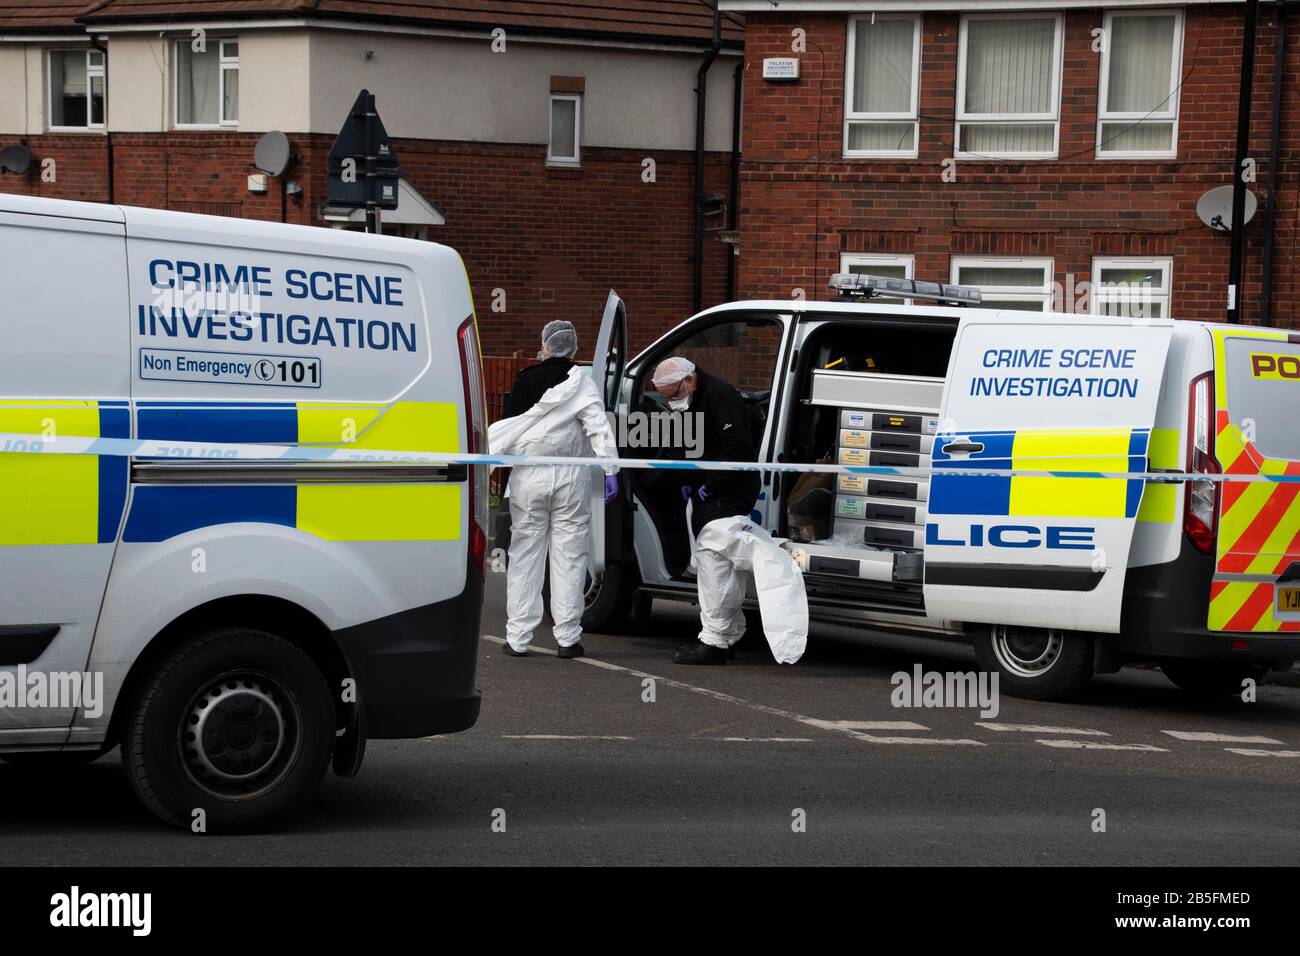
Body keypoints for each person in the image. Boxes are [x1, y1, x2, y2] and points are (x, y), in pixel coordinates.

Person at [490, 320, 619, 658]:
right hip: (571, 478)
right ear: (573, 348)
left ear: (545, 345)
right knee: (570, 558)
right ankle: (567, 639)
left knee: (524, 558)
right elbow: (597, 425)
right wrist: (610, 469)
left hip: (529, 477)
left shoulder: (525, 379)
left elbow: (508, 430)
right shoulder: (583, 383)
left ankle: (517, 638)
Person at [650, 356, 761, 664]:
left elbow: (734, 446)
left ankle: (714, 640)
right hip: (715, 490)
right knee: (719, 561)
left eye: (672, 394)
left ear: (689, 380)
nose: (671, 401)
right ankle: (725, 635)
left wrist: (710, 485)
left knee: (714, 562)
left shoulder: (719, 394)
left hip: (729, 490)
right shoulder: (700, 396)